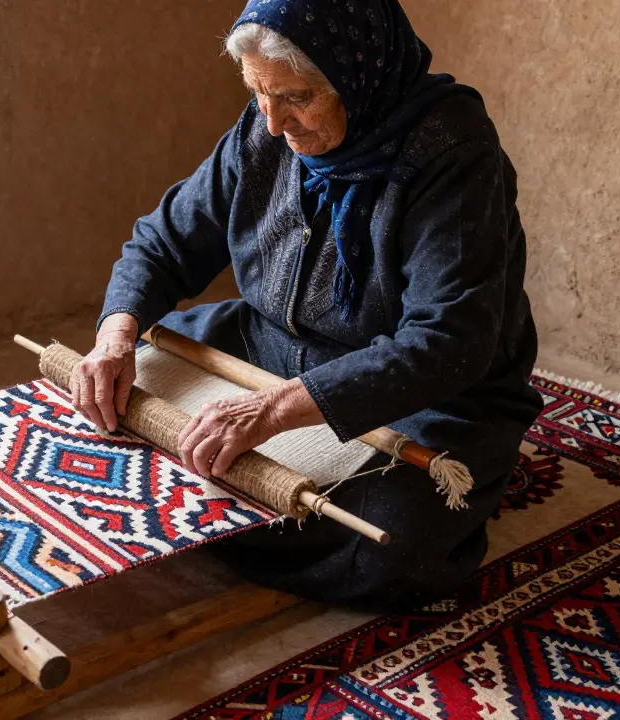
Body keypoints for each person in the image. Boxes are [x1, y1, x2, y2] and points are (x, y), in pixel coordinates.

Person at [70, 0, 541, 611]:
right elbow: (164, 242)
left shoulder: (451, 154)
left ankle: (200, 519)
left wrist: (274, 410)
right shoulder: (260, 131)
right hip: (268, 343)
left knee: (391, 544)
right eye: (259, 94)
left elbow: (448, 340)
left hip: (423, 394)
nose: (272, 123)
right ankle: (221, 511)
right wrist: (115, 337)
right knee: (128, 388)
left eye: (296, 97)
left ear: (357, 76)